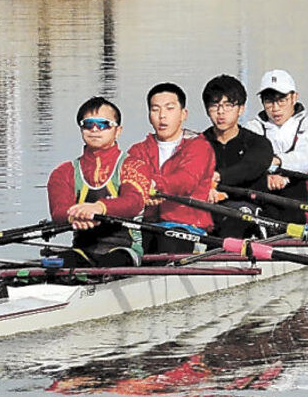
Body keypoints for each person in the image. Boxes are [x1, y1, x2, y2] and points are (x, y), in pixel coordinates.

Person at [119, 82, 217, 255]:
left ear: (183, 114)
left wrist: (154, 185)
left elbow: (186, 180)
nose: (162, 116)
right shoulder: (138, 151)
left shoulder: (199, 147)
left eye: (169, 108)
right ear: (149, 115)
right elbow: (129, 180)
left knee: (165, 242)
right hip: (146, 225)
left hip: (187, 228)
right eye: (155, 109)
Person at [46, 96, 141, 268]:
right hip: (82, 249)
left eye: (103, 124)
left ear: (118, 131)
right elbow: (58, 212)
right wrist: (72, 215)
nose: (95, 129)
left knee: (112, 261)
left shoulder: (133, 165)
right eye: (88, 124)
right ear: (81, 129)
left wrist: (98, 208)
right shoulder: (63, 172)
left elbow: (133, 202)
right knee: (65, 260)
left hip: (125, 249)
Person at [244, 69, 308, 215]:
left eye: (281, 100)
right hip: (260, 207)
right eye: (269, 101)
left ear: (294, 97)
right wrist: (266, 176)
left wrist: (279, 166)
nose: (275, 108)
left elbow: (307, 156)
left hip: (302, 210)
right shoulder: (252, 128)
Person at [201, 74, 275, 239]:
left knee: (235, 216)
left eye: (228, 105)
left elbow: (250, 167)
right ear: (207, 109)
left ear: (241, 109)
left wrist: (218, 178)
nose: (221, 112)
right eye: (215, 105)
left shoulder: (258, 144)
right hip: (209, 208)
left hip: (248, 210)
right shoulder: (198, 144)